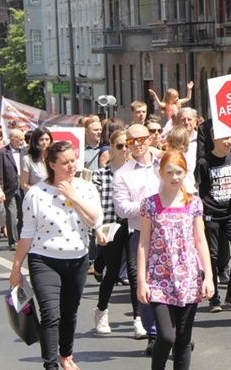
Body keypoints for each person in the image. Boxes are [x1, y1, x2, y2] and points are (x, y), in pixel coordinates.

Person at [9, 141, 103, 370]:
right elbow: (27, 233)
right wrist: (16, 269)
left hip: (78, 260)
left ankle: (66, 354)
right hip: (44, 259)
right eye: (65, 162)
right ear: (52, 165)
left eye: (74, 160)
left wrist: (74, 196)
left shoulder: (85, 187)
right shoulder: (37, 193)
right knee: (51, 314)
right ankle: (50, 365)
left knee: (69, 312)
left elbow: (94, 220)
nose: (72, 166)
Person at [137, 150, 214, 370]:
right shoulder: (149, 205)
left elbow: (200, 241)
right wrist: (142, 281)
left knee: (183, 340)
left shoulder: (194, 203)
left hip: (188, 277)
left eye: (178, 172)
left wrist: (208, 276)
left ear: (185, 172)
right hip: (159, 278)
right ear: (161, 173)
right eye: (169, 172)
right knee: (166, 336)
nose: (174, 177)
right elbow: (143, 243)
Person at [92, 129, 146, 339]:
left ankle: (138, 319)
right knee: (113, 272)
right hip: (111, 226)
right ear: (112, 148)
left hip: (133, 225)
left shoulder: (136, 172)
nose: (125, 150)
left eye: (128, 145)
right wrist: (97, 230)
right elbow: (95, 205)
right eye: (120, 146)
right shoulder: (101, 175)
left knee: (135, 274)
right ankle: (101, 311)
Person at [114, 123, 163, 355]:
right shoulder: (122, 174)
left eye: (141, 139)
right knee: (144, 284)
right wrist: (149, 206)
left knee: (173, 281)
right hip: (141, 235)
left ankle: (174, 331)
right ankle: (153, 333)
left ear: (150, 138)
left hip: (171, 233)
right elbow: (122, 209)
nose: (137, 145)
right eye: (131, 141)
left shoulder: (164, 162)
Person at [195, 131, 231, 312]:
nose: (229, 142)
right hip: (210, 216)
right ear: (214, 138)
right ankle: (213, 297)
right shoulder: (203, 163)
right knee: (211, 256)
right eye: (225, 138)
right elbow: (196, 187)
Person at [0, 128, 26, 250]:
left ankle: (23, 238)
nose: (23, 142)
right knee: (12, 214)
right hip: (9, 188)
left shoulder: (25, 151)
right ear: (13, 139)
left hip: (23, 185)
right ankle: (13, 242)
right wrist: (0, 190)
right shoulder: (1, 153)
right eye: (20, 139)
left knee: (23, 214)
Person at [20, 127, 52, 195]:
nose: (45, 142)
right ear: (35, 141)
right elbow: (24, 185)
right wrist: (40, 192)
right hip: (35, 197)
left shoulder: (54, 158)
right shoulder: (27, 159)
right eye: (41, 140)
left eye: (47, 139)